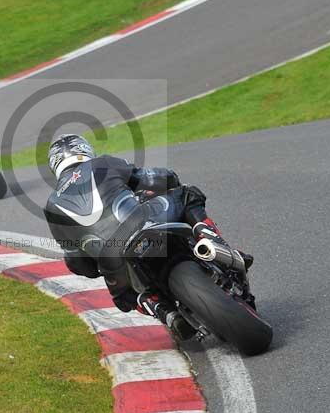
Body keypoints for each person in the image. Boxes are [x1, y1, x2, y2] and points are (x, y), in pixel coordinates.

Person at [43, 134, 253, 337]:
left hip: (111, 256)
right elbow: (160, 178)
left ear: (55, 165)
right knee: (188, 194)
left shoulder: (51, 207)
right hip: (141, 221)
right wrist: (165, 184)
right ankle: (214, 243)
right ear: (84, 149)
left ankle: (161, 309)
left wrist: (95, 268)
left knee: (124, 298)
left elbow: (77, 263)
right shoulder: (102, 163)